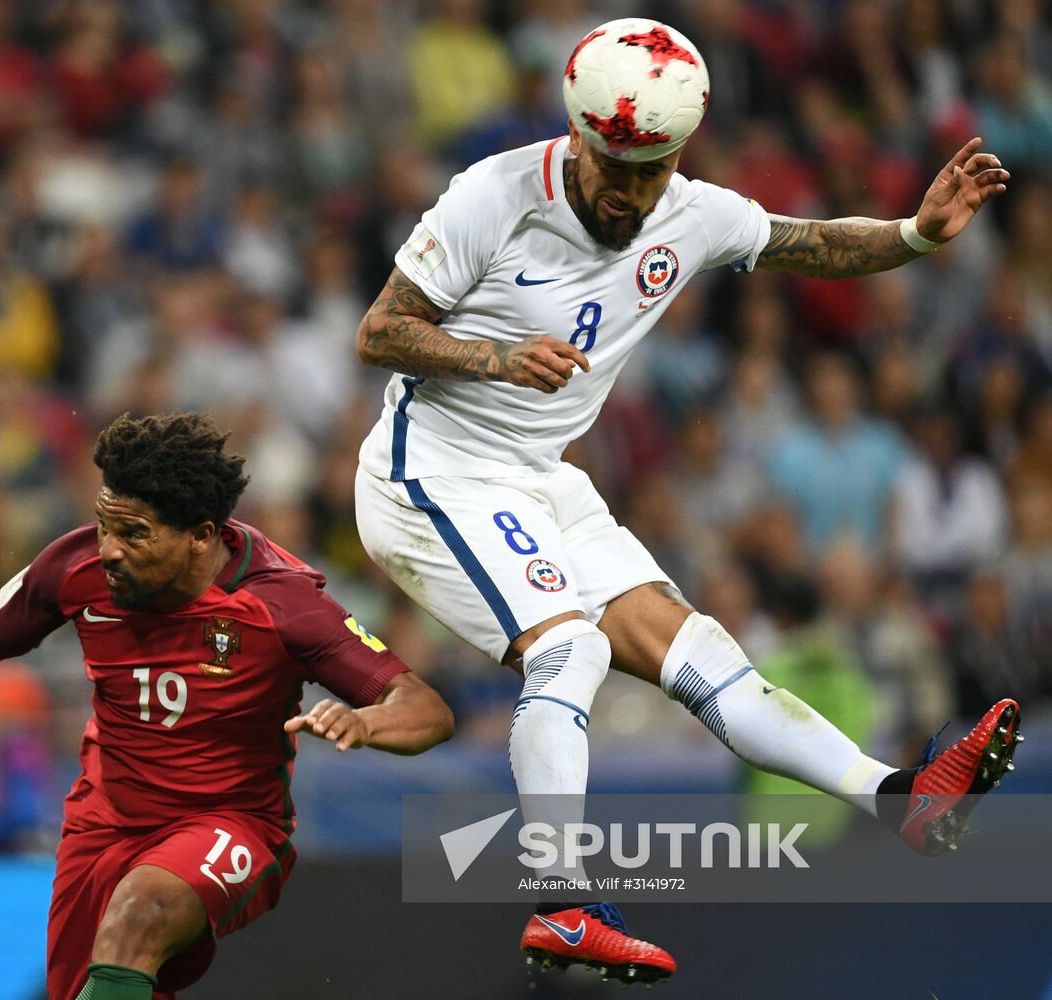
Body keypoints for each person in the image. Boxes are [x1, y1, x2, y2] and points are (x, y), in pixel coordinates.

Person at [353, 16, 1022, 985]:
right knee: (571, 642)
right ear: (578, 134)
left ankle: (895, 796)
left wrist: (916, 233)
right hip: (430, 474)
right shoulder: (492, 196)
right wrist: (493, 354)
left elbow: (815, 243)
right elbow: (382, 330)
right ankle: (560, 900)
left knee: (699, 650)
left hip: (541, 479)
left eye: (652, 168)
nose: (630, 192)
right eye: (615, 165)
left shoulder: (692, 213)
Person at [0, 411, 455, 1000]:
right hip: (103, 823)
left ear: (201, 537)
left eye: (135, 534)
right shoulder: (76, 564)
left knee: (139, 912)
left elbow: (423, 708)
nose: (110, 550)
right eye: (104, 524)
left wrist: (363, 721)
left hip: (232, 827)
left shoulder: (283, 605)